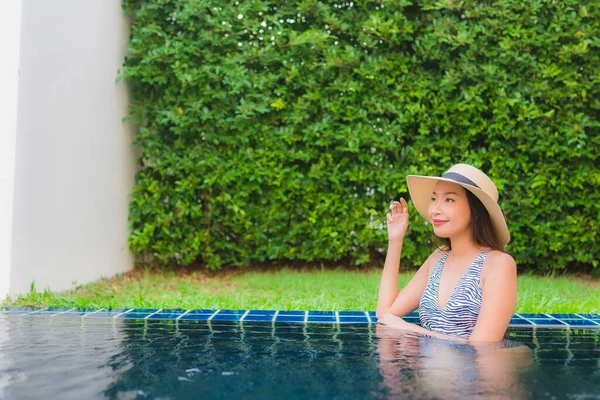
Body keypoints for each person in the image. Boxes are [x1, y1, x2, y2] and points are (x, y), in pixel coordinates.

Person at [376, 163, 518, 342]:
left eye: (449, 200)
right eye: (434, 199)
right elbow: (385, 314)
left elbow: (483, 346)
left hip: (473, 368)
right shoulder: (438, 258)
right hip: (429, 368)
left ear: (476, 211)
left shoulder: (498, 264)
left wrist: (411, 330)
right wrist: (395, 241)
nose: (435, 209)